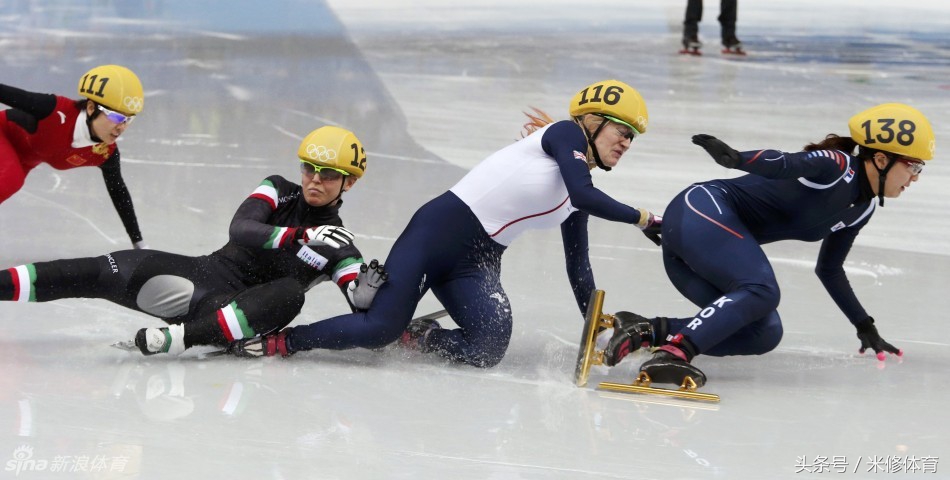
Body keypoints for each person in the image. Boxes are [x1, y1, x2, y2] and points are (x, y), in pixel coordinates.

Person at [231, 79, 663, 368]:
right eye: (622, 130)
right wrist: (644, 218)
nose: (627, 143)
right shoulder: (564, 134)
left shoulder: (581, 186)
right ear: (591, 120)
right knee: (378, 328)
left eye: (633, 138)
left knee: (488, 348)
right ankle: (283, 342)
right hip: (438, 232)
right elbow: (588, 195)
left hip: (477, 259)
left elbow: (578, 265)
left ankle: (418, 335)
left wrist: (596, 327)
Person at [602, 103, 935, 387]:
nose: (916, 178)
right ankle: (676, 353)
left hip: (700, 247)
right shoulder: (837, 165)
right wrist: (738, 159)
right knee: (762, 289)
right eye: (913, 166)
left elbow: (830, 269)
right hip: (700, 209)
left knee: (764, 333)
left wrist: (865, 326)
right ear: (880, 159)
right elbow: (785, 162)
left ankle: (647, 330)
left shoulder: (863, 208)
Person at [0, 126, 386, 356]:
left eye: (328, 174)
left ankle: (178, 339)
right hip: (202, 274)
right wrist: (299, 235)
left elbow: (360, 306)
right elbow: (241, 228)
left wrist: (365, 296)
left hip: (235, 310)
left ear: (349, 182)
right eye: (309, 168)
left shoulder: (340, 247)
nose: (315, 179)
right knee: (100, 269)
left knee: (290, 293)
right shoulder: (278, 189)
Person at [1, 65, 148, 248]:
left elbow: (119, 193)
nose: (122, 127)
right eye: (117, 117)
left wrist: (139, 243)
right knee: (11, 180)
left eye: (129, 119)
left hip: (23, 160)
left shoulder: (105, 153)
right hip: (3, 133)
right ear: (91, 107)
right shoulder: (56, 110)